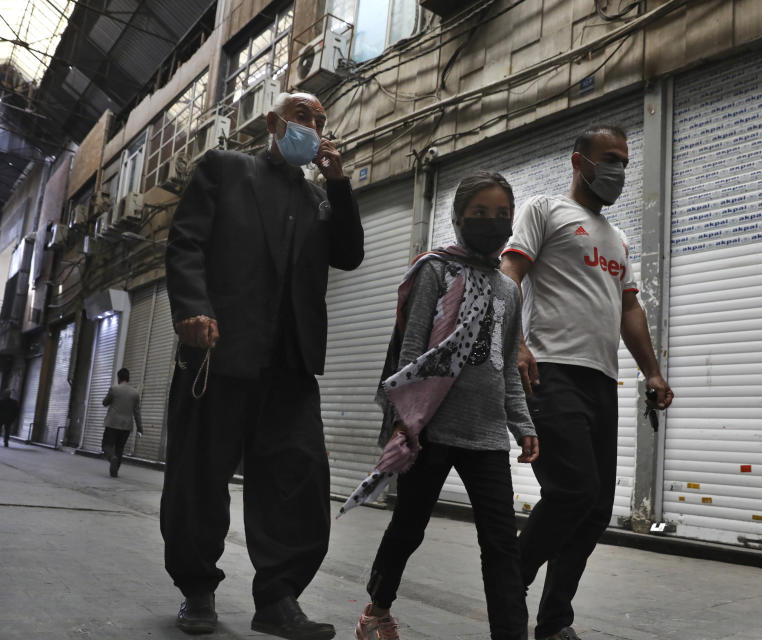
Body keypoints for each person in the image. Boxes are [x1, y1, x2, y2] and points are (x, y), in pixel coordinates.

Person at [160, 91, 363, 639]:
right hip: (220, 352)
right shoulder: (225, 169)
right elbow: (185, 243)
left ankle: (278, 598)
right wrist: (193, 309)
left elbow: (348, 254)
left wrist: (340, 182)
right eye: (303, 117)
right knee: (200, 476)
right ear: (273, 122)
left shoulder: (320, 198)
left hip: (290, 364)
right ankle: (197, 589)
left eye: (320, 122)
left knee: (297, 479)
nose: (313, 128)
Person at [500, 125, 673, 640]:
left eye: (624, 159)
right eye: (610, 159)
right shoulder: (545, 210)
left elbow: (629, 308)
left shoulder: (617, 238)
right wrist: (515, 344)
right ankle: (508, 584)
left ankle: (555, 621)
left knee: (595, 509)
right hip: (549, 370)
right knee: (572, 490)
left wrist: (653, 371)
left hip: (602, 380)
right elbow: (509, 275)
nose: (619, 170)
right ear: (581, 161)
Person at [353, 172, 538, 640]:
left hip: (487, 434)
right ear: (457, 218)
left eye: (501, 216)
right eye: (479, 215)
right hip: (430, 431)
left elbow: (505, 365)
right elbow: (412, 350)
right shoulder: (435, 270)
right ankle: (376, 610)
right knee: (408, 527)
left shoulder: (509, 290)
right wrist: (403, 423)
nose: (491, 224)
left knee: (500, 544)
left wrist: (523, 423)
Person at [101, 367, 143, 477]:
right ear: (128, 378)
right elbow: (137, 412)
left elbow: (105, 403)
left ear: (119, 378)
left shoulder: (114, 389)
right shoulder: (135, 393)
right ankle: (114, 472)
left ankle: (112, 458)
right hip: (126, 426)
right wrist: (140, 428)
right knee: (119, 448)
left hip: (112, 424)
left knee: (106, 445)